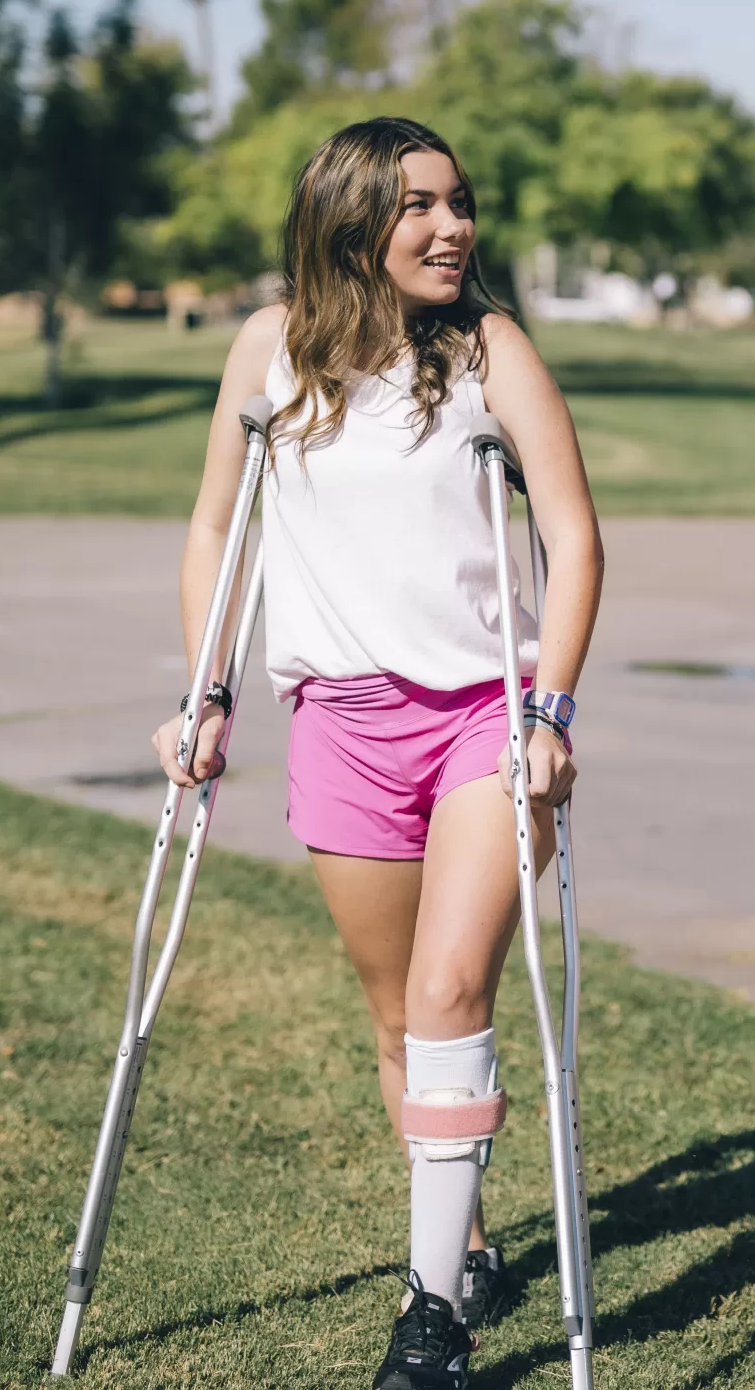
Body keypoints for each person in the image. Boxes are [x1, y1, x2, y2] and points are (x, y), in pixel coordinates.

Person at [156, 117, 603, 1390]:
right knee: (395, 1016)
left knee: (449, 992)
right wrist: (206, 694)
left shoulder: (489, 349)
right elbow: (213, 534)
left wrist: (549, 714)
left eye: (460, 203)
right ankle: (461, 1236)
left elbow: (571, 537)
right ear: (351, 221)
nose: (453, 227)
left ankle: (432, 1314)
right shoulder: (269, 347)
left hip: (482, 719)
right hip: (339, 723)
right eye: (420, 207)